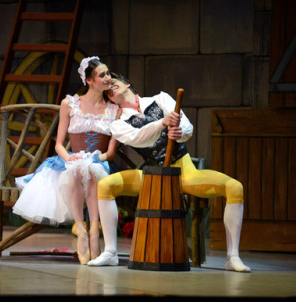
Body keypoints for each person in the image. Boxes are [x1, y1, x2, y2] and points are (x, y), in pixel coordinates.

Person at [87, 73, 251, 272]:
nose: (111, 87)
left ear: (127, 84)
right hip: (152, 175)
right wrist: (162, 123)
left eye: (114, 82)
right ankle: (110, 253)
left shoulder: (161, 99)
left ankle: (232, 257)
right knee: (105, 185)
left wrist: (180, 132)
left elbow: (187, 126)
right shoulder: (118, 123)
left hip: (183, 172)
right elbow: (139, 138)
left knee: (234, 187)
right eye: (107, 90)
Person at [12, 57, 120, 265]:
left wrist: (94, 158)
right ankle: (81, 229)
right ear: (89, 80)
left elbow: (111, 152)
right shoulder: (70, 104)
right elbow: (59, 144)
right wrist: (70, 157)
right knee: (78, 170)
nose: (108, 78)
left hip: (100, 162)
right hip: (70, 162)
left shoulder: (114, 109)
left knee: (91, 169)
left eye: (108, 73)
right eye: (102, 75)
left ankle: (94, 230)